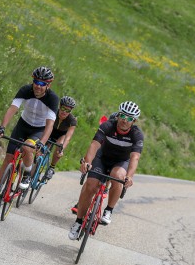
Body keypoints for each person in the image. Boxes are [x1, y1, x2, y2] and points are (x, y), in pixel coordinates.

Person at [68, 101, 144, 240]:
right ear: (118, 115)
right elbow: (94, 145)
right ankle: (78, 222)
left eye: (129, 118)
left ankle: (108, 210)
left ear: (134, 120)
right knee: (90, 184)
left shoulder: (137, 134)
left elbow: (135, 157)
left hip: (121, 162)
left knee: (118, 175)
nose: (124, 120)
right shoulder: (107, 126)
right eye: (122, 116)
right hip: (102, 158)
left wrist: (130, 176)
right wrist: (87, 162)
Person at [0, 66, 59, 209]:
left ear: (48, 85)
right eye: (36, 82)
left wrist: (42, 143)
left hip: (39, 129)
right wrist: (2, 127)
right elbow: (12, 109)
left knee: (27, 147)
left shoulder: (52, 98)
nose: (38, 86)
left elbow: (50, 125)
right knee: (8, 158)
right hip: (23, 125)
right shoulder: (26, 90)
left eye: (42, 83)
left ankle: (26, 174)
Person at [70, 111, 117, 214]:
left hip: (112, 161)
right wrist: (86, 160)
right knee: (89, 181)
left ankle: (106, 188)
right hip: (100, 157)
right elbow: (94, 148)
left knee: (112, 172)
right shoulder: (105, 131)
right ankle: (80, 203)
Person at [44, 96, 78, 179]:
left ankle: (52, 167)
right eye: (63, 108)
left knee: (60, 145)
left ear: (70, 111)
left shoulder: (72, 120)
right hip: (50, 130)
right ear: (59, 106)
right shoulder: (53, 112)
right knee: (42, 150)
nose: (64, 112)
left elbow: (68, 137)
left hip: (61, 135)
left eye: (68, 110)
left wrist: (62, 149)